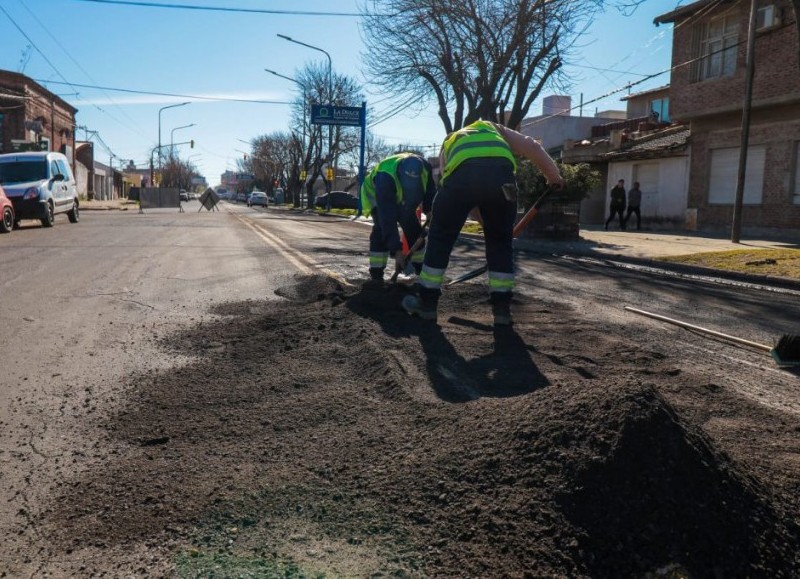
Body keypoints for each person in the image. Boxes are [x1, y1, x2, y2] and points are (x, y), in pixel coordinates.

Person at [401, 120, 564, 325]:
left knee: (440, 238)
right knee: (500, 244)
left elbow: (454, 187)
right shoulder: (495, 129)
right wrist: (554, 176)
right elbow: (533, 146)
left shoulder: (451, 140)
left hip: (459, 181)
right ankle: (502, 311)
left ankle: (427, 304)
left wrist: (449, 213)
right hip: (502, 182)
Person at [360, 152, 436, 283]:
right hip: (377, 196)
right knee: (380, 230)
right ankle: (377, 274)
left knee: (414, 230)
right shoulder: (385, 177)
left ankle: (420, 270)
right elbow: (388, 219)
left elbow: (429, 191)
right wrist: (397, 251)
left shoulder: (425, 168)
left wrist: (430, 210)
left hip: (404, 199)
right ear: (400, 173)